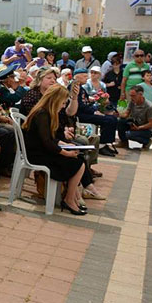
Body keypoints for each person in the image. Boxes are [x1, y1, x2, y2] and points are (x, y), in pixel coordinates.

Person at [22, 84, 87, 216]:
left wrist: (65, 145)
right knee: (78, 163)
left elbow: (52, 138)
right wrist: (65, 152)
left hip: (42, 150)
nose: (63, 106)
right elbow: (46, 142)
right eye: (63, 103)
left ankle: (73, 197)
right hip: (37, 154)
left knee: (78, 159)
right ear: (55, 100)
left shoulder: (46, 112)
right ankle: (70, 199)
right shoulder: (42, 114)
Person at [72, 68, 118, 157]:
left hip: (86, 112)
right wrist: (94, 111)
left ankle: (107, 143)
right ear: (77, 77)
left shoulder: (81, 87)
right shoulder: (75, 87)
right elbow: (80, 106)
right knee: (108, 120)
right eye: (85, 76)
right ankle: (101, 146)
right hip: (80, 114)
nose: (87, 78)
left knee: (112, 118)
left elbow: (86, 101)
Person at [116, 85, 152, 150]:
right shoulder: (132, 102)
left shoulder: (149, 107)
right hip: (135, 124)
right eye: (130, 95)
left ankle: (146, 142)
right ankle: (124, 142)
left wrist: (139, 128)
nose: (131, 98)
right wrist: (118, 114)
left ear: (140, 94)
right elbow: (126, 114)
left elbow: (151, 123)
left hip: (147, 129)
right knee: (120, 121)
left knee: (129, 135)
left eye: (133, 96)